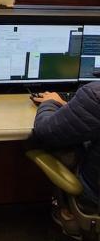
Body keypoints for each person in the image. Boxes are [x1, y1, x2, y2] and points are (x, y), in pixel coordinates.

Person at [32, 83, 100, 226]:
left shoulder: (95, 95)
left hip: (94, 197)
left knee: (36, 142)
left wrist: (50, 103)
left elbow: (45, 131)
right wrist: (70, 107)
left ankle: (68, 213)